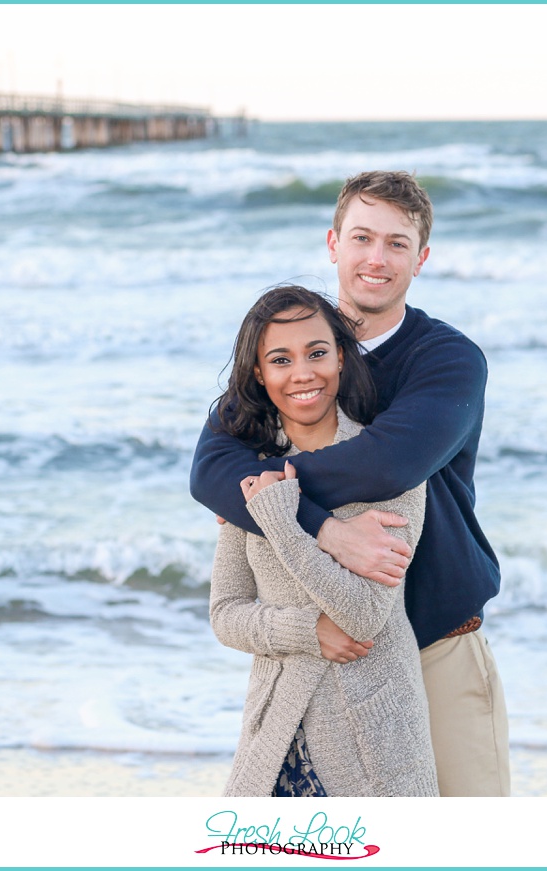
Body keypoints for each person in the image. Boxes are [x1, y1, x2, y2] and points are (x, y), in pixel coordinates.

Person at [192, 171, 510, 796]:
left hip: (432, 644)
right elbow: (209, 471)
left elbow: (387, 463)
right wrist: (324, 528)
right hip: (323, 653)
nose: (376, 258)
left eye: (397, 243)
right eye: (362, 237)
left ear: (421, 258)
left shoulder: (447, 360)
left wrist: (264, 494)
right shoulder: (291, 354)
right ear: (333, 243)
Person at [208, 284, 438, 797]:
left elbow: (362, 617)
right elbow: (225, 614)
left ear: (341, 357)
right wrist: (307, 631)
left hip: (374, 742)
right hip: (273, 734)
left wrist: (282, 520)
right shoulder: (250, 474)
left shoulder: (390, 465)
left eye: (317, 353)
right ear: (259, 375)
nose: (303, 373)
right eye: (280, 359)